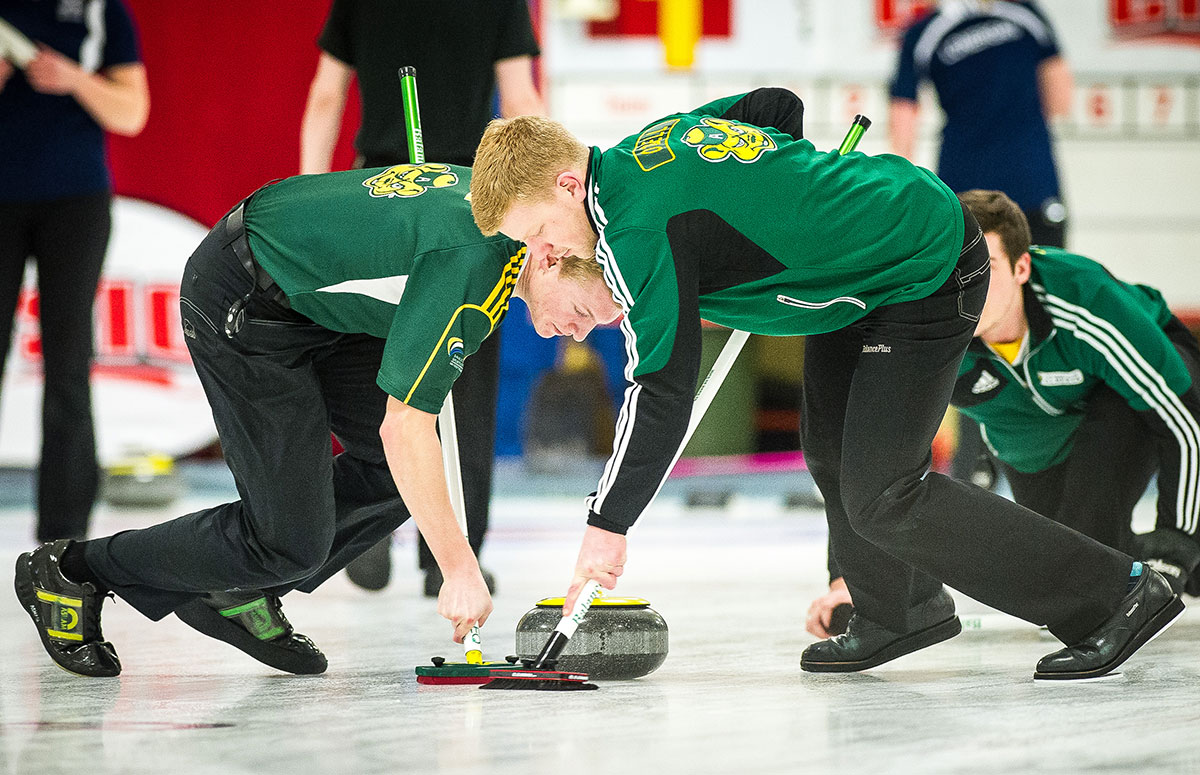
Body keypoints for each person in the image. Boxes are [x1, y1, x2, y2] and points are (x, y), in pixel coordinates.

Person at [468, 87, 1184, 681]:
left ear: (567, 184)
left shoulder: (634, 228)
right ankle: (899, 608)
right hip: (855, 281)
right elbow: (776, 109)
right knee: (829, 448)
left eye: (537, 234)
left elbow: (659, 389)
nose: (546, 252)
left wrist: (607, 523)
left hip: (920, 261)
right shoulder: (651, 145)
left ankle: (1115, 594)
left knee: (887, 490)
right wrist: (792, 188)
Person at [14, 161, 616, 677]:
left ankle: (242, 587)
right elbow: (404, 427)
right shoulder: (472, 275)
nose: (579, 332)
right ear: (552, 258)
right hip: (246, 293)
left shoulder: (505, 215)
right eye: (584, 311)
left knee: (396, 475)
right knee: (288, 540)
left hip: (316, 301)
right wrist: (459, 567)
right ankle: (72, 569)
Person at [806, 189, 1200, 638]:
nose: (966, 283)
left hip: (1124, 404)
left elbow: (1182, 418)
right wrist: (851, 580)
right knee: (1066, 570)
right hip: (1031, 437)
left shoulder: (1082, 298)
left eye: (984, 267)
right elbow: (867, 462)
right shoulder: (931, 327)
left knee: (1111, 562)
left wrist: (1175, 545)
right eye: (953, 268)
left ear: (1021, 268)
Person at [299, 0, 546, 594]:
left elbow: (325, 98)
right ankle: (453, 557)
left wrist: (310, 198)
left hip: (379, 199)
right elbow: (520, 104)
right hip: (472, 199)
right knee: (464, 378)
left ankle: (368, 530)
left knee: (377, 374)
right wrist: (544, 199)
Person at [889, 0, 1074, 488]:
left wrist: (898, 201)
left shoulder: (928, 30)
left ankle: (979, 463)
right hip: (1031, 188)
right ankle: (1043, 455)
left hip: (971, 197)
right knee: (1045, 315)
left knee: (971, 324)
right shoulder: (1025, 17)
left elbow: (902, 122)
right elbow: (1060, 99)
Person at [0, 0, 149, 544]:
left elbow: (132, 113)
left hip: (75, 202)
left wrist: (73, 79)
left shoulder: (100, 10)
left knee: (68, 362)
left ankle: (62, 537)